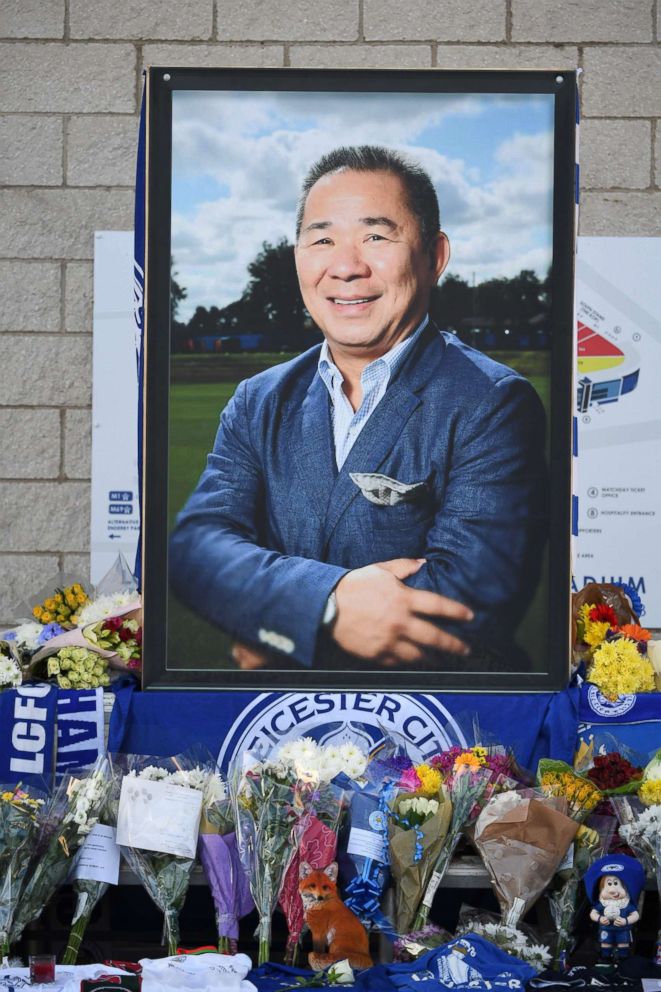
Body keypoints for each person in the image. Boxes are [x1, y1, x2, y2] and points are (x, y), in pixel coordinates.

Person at [169, 145, 548, 672]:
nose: (346, 267)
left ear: (434, 256)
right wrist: (323, 606)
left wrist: (275, 627)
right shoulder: (259, 399)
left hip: (443, 734)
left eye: (375, 236)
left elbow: (462, 606)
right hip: (283, 731)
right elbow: (197, 550)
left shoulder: (493, 402)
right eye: (322, 239)